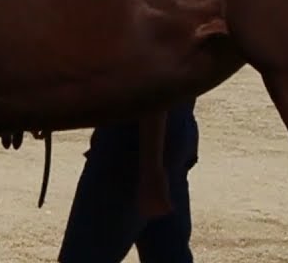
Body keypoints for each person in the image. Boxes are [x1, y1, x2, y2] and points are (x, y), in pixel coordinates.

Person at [59, 101, 200, 263]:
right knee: (166, 252)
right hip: (173, 129)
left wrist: (151, 169)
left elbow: (152, 88)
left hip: (132, 139)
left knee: (83, 256)